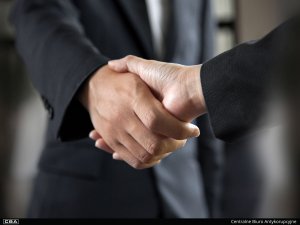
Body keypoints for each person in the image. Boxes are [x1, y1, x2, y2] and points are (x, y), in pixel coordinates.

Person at [11, 0, 229, 218]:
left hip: (188, 201)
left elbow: (205, 109)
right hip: (86, 198)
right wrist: (91, 83)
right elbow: (35, 12)